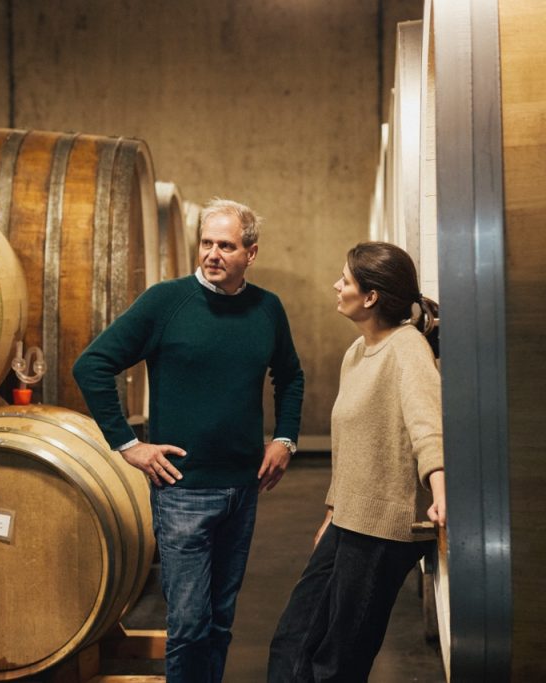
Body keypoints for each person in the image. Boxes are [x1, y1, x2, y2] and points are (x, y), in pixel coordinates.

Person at [72, 198, 305, 683]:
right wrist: (127, 444)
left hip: (243, 488)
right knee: (190, 625)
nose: (213, 254)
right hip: (183, 490)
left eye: (226, 245)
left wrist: (284, 438)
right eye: (206, 243)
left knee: (220, 622)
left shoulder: (267, 308)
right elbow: (91, 365)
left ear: (251, 253)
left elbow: (290, 376)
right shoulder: (166, 301)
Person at [267, 241, 444, 683]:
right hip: (349, 520)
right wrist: (332, 509)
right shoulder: (356, 353)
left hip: (384, 528)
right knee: (293, 639)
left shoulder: (407, 349)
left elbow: (428, 427)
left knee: (339, 659)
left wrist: (441, 496)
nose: (335, 285)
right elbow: (349, 445)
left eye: (345, 280)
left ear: (370, 297)